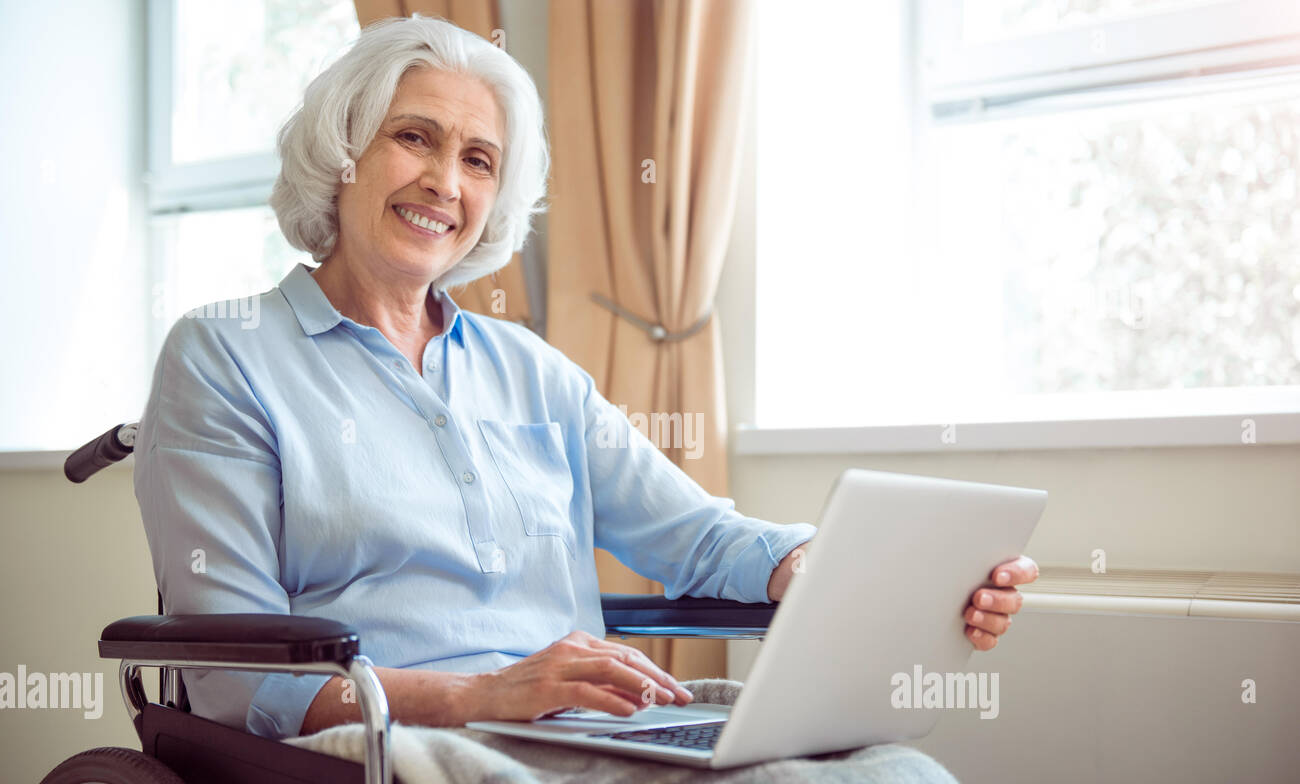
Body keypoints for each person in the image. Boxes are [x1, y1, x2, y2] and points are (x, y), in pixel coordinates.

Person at [134, 13, 1036, 743]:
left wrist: (842, 570)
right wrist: (484, 694)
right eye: (415, 138)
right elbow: (238, 677)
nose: (445, 181)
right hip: (387, 757)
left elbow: (699, 537)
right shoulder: (224, 357)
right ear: (342, 153)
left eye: (478, 159)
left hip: (582, 731)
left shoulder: (531, 371)